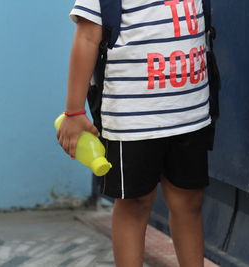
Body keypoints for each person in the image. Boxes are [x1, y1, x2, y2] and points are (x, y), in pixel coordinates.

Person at [57, 1, 211, 266]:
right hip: (132, 117)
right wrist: (74, 111)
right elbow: (86, 37)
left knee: (189, 201)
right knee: (134, 203)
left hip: (190, 111)